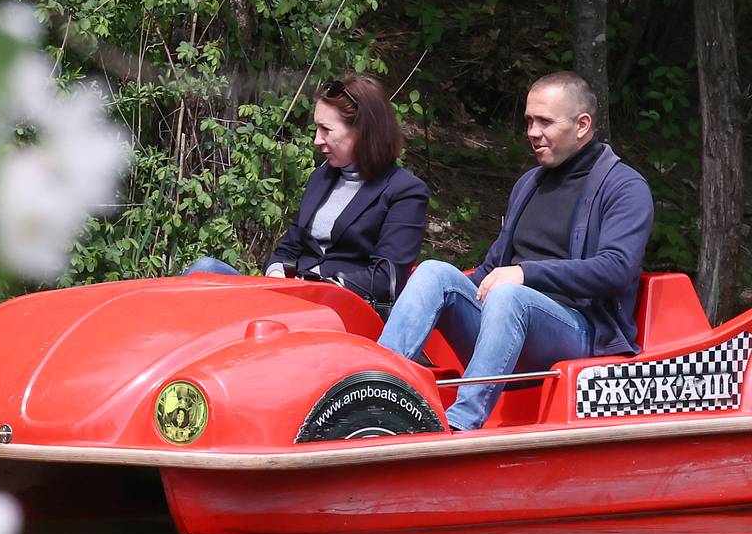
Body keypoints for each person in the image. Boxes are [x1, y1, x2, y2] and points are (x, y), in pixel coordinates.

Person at [378, 71, 654, 431]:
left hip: (579, 330)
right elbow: (492, 268)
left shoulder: (625, 187)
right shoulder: (529, 183)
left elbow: (616, 269)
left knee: (511, 296)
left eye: (545, 122)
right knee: (434, 272)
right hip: (505, 322)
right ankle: (375, 392)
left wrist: (527, 273)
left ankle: (459, 425)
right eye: (529, 120)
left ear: (582, 125)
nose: (532, 132)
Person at [185, 74, 429, 312]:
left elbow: (386, 278)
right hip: (289, 297)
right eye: (316, 128)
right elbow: (288, 248)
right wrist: (277, 272)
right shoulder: (321, 179)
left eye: (326, 129)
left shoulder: (405, 191)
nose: (316, 140)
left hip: (340, 310)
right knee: (205, 270)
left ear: (362, 131)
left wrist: (317, 284)